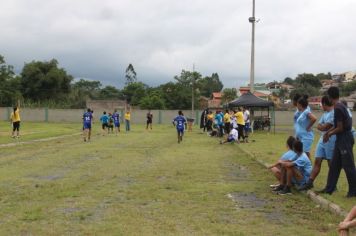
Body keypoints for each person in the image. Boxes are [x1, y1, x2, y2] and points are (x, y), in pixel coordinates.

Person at [318, 87, 356, 197]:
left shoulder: (338, 107)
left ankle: (353, 191)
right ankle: (329, 189)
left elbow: (340, 128)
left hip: (345, 138)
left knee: (349, 166)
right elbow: (337, 126)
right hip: (341, 139)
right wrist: (328, 132)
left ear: (330, 97)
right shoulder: (340, 105)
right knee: (334, 165)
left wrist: (328, 134)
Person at [299, 96, 335, 191]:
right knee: (317, 160)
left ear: (324, 104)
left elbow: (325, 127)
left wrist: (322, 126)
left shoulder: (333, 113)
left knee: (330, 163)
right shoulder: (325, 114)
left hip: (330, 140)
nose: (321, 106)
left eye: (321, 104)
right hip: (322, 139)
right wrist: (322, 126)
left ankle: (332, 185)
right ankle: (310, 182)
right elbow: (319, 126)